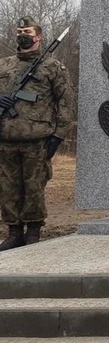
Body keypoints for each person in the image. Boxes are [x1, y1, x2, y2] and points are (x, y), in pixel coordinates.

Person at [0, 16, 74, 251]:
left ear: (39, 37)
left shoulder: (53, 67)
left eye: (28, 31)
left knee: (34, 188)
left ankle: (33, 232)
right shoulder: (4, 65)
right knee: (7, 187)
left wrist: (58, 137)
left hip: (37, 139)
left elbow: (66, 103)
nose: (23, 34)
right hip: (6, 137)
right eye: (20, 30)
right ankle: (13, 232)